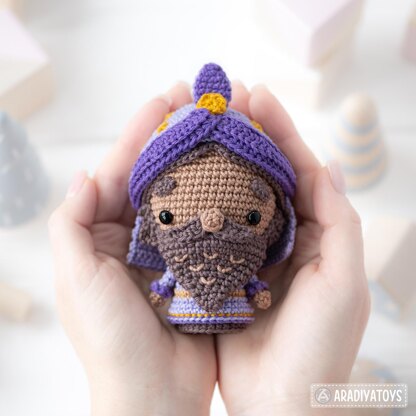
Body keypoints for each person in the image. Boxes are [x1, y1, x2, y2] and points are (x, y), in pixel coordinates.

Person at [48, 81, 370, 416]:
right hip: (184, 313)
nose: (212, 222)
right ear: (151, 224)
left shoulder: (250, 259)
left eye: (252, 217)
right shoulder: (171, 257)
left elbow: (250, 281)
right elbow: (168, 280)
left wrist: (288, 400)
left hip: (239, 313)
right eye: (169, 216)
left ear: (275, 224)